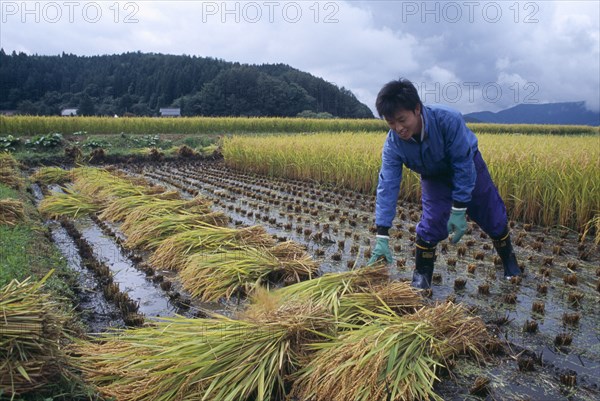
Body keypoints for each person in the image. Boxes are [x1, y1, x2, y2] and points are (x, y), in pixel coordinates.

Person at [367, 78, 521, 289]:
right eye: (391, 123)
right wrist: (382, 233)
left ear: (417, 109)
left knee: (491, 213)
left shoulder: (448, 120)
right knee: (431, 223)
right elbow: (388, 185)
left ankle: (510, 263)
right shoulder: (393, 144)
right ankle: (421, 277)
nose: (398, 128)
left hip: (468, 165)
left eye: (402, 120)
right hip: (433, 176)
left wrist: (459, 207)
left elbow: (462, 162)